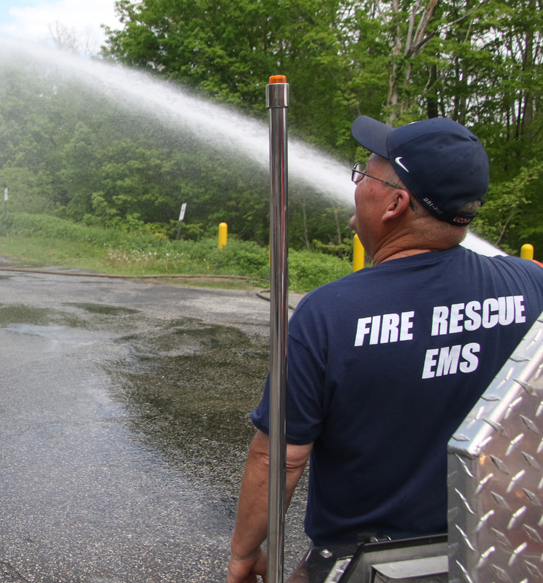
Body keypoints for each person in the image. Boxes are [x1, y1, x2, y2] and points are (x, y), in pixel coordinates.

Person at [227, 116, 543, 583]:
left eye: (366, 174)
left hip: (367, 564)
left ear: (396, 203)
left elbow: (280, 458)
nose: (356, 183)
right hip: (492, 554)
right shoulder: (532, 284)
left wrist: (245, 551)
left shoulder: (328, 314)